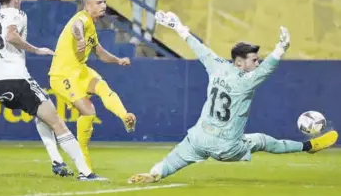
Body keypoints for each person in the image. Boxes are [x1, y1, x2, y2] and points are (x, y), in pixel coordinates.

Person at [128, 10, 339, 183]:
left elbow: (199, 48)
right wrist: (281, 49)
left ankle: (154, 172)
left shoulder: (217, 66)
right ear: (239, 63)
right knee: (262, 140)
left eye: (258, 60)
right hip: (228, 147)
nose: (257, 64)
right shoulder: (245, 82)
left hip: (199, 137)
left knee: (174, 160)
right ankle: (308, 147)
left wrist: (178, 27)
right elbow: (266, 70)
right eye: (254, 60)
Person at [0, 0, 106, 181]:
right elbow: (10, 35)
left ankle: (56, 160)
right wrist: (36, 49)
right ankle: (86, 173)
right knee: (57, 122)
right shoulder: (17, 14)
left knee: (41, 113)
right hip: (15, 79)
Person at [48, 0, 137, 173]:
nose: (104, 5)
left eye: (104, 2)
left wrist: (118, 60)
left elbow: (100, 52)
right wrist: (79, 38)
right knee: (88, 112)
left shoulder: (92, 24)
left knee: (103, 87)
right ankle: (84, 168)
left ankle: (125, 116)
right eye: (99, 2)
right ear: (87, 6)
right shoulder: (82, 19)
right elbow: (76, 27)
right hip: (62, 74)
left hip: (79, 70)